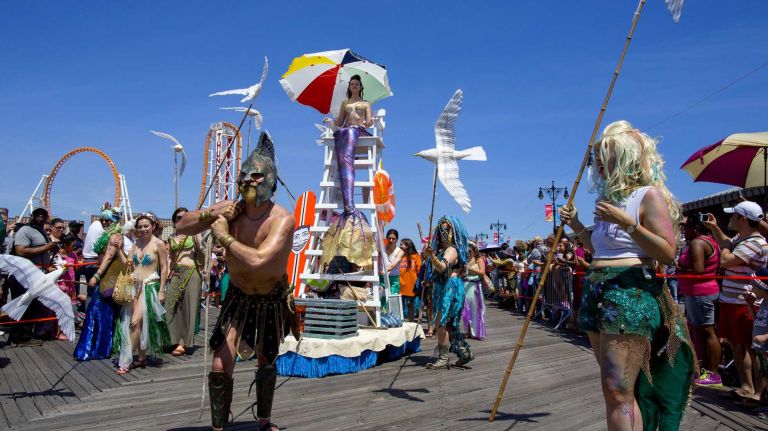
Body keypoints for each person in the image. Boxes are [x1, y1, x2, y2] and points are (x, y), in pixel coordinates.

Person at [559, 120, 694, 430]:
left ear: (624, 158)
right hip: (598, 290)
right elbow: (599, 247)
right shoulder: (608, 200)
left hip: (630, 292)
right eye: (596, 157)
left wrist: (628, 223)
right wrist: (578, 225)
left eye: (604, 155)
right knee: (615, 389)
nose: (597, 163)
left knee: (617, 387)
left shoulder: (647, 196)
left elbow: (667, 253)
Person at [176, 137, 299, 431]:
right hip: (238, 296)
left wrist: (223, 236)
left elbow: (258, 259)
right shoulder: (231, 209)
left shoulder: (281, 219)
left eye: (256, 175)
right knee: (220, 365)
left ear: (271, 180)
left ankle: (265, 422)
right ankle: (219, 427)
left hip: (270, 297)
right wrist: (213, 215)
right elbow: (181, 225)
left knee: (266, 361)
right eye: (244, 175)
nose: (247, 180)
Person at [704, 200, 768, 403]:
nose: (729, 218)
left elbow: (726, 259)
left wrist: (724, 246)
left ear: (742, 219)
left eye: (733, 215)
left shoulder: (756, 243)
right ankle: (746, 387)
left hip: (745, 302)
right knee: (736, 345)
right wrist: (715, 229)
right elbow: (727, 245)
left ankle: (759, 392)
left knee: (752, 348)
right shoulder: (742, 237)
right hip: (731, 300)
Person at [320, 75, 375, 271]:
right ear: (349, 87)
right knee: (342, 132)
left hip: (358, 132)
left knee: (350, 133)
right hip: (346, 131)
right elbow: (340, 121)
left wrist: (366, 122)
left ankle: (349, 203)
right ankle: (348, 201)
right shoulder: (345, 102)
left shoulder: (365, 103)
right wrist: (331, 121)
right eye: (352, 84)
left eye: (357, 84)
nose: (354, 86)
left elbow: (368, 122)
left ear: (360, 87)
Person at [113, 213, 171, 374]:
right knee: (137, 324)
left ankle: (125, 362)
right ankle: (142, 357)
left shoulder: (159, 244)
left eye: (146, 226)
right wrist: (118, 250)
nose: (143, 229)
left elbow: (164, 268)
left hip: (149, 285)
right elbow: (128, 264)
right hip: (134, 286)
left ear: (153, 226)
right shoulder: (136, 243)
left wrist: (161, 290)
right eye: (140, 226)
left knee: (134, 322)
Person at [423, 216, 474, 369]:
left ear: (454, 231)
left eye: (447, 228)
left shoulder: (451, 250)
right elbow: (440, 272)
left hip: (450, 289)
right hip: (446, 287)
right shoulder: (444, 250)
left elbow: (443, 268)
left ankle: (443, 358)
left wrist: (432, 256)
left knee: (442, 323)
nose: (444, 232)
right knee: (449, 325)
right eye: (442, 229)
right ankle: (464, 353)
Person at [678, 215, 722, 387]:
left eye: (686, 227)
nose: (683, 230)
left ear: (695, 228)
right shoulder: (710, 240)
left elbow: (698, 269)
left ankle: (712, 374)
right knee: (704, 332)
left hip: (700, 293)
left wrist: (679, 267)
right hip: (703, 292)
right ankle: (705, 372)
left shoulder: (697, 243)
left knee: (706, 332)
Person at [74, 217, 126, 361]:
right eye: (103, 220)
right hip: (104, 278)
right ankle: (99, 347)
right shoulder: (107, 235)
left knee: (99, 312)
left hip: (107, 280)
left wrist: (96, 276)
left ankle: (99, 348)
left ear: (115, 222)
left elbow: (108, 258)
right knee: (100, 313)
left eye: (109, 220)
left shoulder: (115, 237)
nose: (105, 222)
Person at [11, 207, 58, 342]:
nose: (41, 217)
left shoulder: (41, 231)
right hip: (23, 274)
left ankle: (27, 334)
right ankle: (19, 336)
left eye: (44, 215)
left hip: (37, 273)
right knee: (22, 304)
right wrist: (46, 247)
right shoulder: (25, 230)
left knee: (32, 306)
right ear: (32, 216)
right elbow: (20, 251)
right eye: (38, 215)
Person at [165, 207, 204, 356]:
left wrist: (198, 234)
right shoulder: (171, 237)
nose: (180, 220)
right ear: (174, 221)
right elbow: (171, 257)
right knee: (170, 306)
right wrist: (168, 272)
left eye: (184, 217)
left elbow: (203, 250)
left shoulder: (194, 234)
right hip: (176, 273)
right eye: (178, 218)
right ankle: (172, 339)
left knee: (189, 307)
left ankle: (183, 343)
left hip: (191, 271)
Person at [463, 242, 487, 340]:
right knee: (466, 309)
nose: (468, 253)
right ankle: (468, 331)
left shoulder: (479, 259)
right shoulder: (464, 260)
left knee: (476, 309)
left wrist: (470, 268)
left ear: (474, 251)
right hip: (465, 285)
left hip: (475, 286)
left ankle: (476, 331)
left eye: (469, 251)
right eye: (466, 251)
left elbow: (482, 272)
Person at [398, 238, 421, 322]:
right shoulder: (399, 256)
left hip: (411, 285)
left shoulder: (416, 257)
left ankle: (411, 322)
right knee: (400, 306)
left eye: (401, 244)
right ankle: (400, 323)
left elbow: (419, 271)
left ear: (407, 246)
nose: (399, 246)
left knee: (410, 305)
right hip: (400, 285)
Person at [383, 229, 404, 296]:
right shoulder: (381, 248)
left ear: (396, 240)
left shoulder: (400, 251)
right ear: (386, 239)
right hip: (382, 278)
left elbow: (393, 265)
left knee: (393, 303)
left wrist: (384, 271)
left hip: (394, 280)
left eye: (393, 238)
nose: (391, 240)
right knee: (382, 303)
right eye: (389, 238)